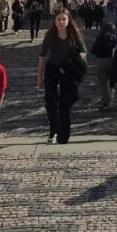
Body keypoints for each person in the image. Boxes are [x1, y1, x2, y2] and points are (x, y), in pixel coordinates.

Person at [36, 8, 87, 145]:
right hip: (52, 68)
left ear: (68, 20)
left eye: (64, 19)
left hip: (68, 70)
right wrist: (39, 77)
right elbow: (42, 55)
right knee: (51, 103)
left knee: (65, 103)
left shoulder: (73, 34)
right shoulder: (50, 34)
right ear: (55, 21)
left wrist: (72, 63)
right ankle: (55, 129)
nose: (61, 21)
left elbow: (83, 52)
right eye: (58, 19)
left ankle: (63, 134)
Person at [90, 21, 117, 110]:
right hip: (112, 60)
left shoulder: (99, 38)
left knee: (103, 84)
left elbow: (93, 51)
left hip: (101, 61)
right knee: (114, 81)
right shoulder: (114, 38)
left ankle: (106, 101)